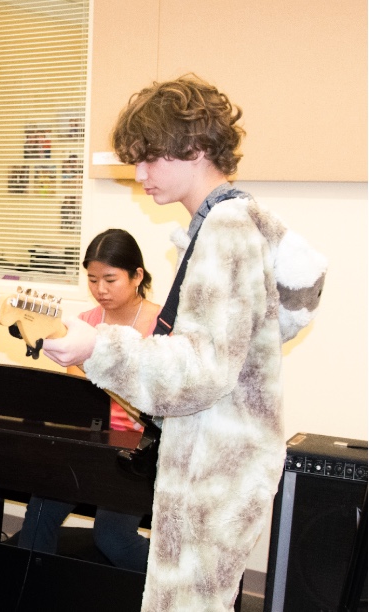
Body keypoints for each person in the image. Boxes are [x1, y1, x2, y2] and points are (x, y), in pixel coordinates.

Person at [38, 75, 326, 611]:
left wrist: (96, 347)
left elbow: (199, 372)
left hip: (215, 469)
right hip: (219, 461)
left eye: (150, 158)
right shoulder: (231, 223)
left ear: (194, 148)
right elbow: (287, 308)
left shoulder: (225, 229)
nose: (140, 174)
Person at [18, 228, 160, 572]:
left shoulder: (163, 323)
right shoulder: (85, 323)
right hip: (92, 444)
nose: (100, 290)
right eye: (93, 279)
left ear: (137, 275)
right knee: (37, 517)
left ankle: (175, 590)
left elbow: (158, 397)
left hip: (139, 453)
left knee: (113, 537)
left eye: (110, 279)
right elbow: (78, 399)